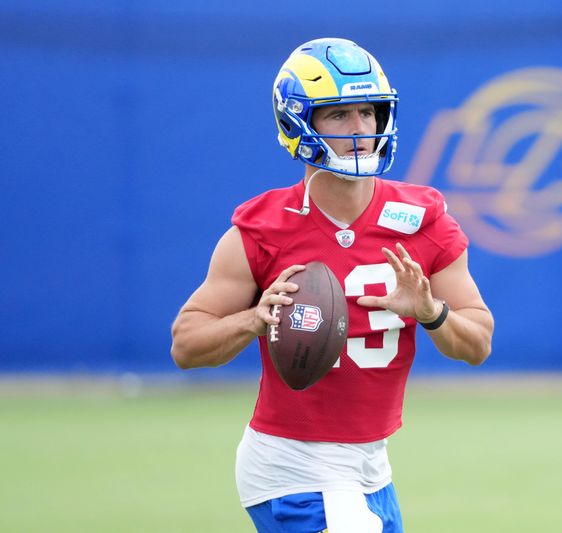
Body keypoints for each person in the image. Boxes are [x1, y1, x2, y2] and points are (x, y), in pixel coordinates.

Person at [170, 37, 494, 533]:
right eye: (339, 115)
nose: (360, 130)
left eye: (368, 112)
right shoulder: (260, 229)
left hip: (371, 469)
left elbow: (478, 344)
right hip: (291, 466)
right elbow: (186, 345)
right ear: (298, 122)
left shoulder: (422, 221)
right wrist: (253, 320)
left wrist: (432, 313)